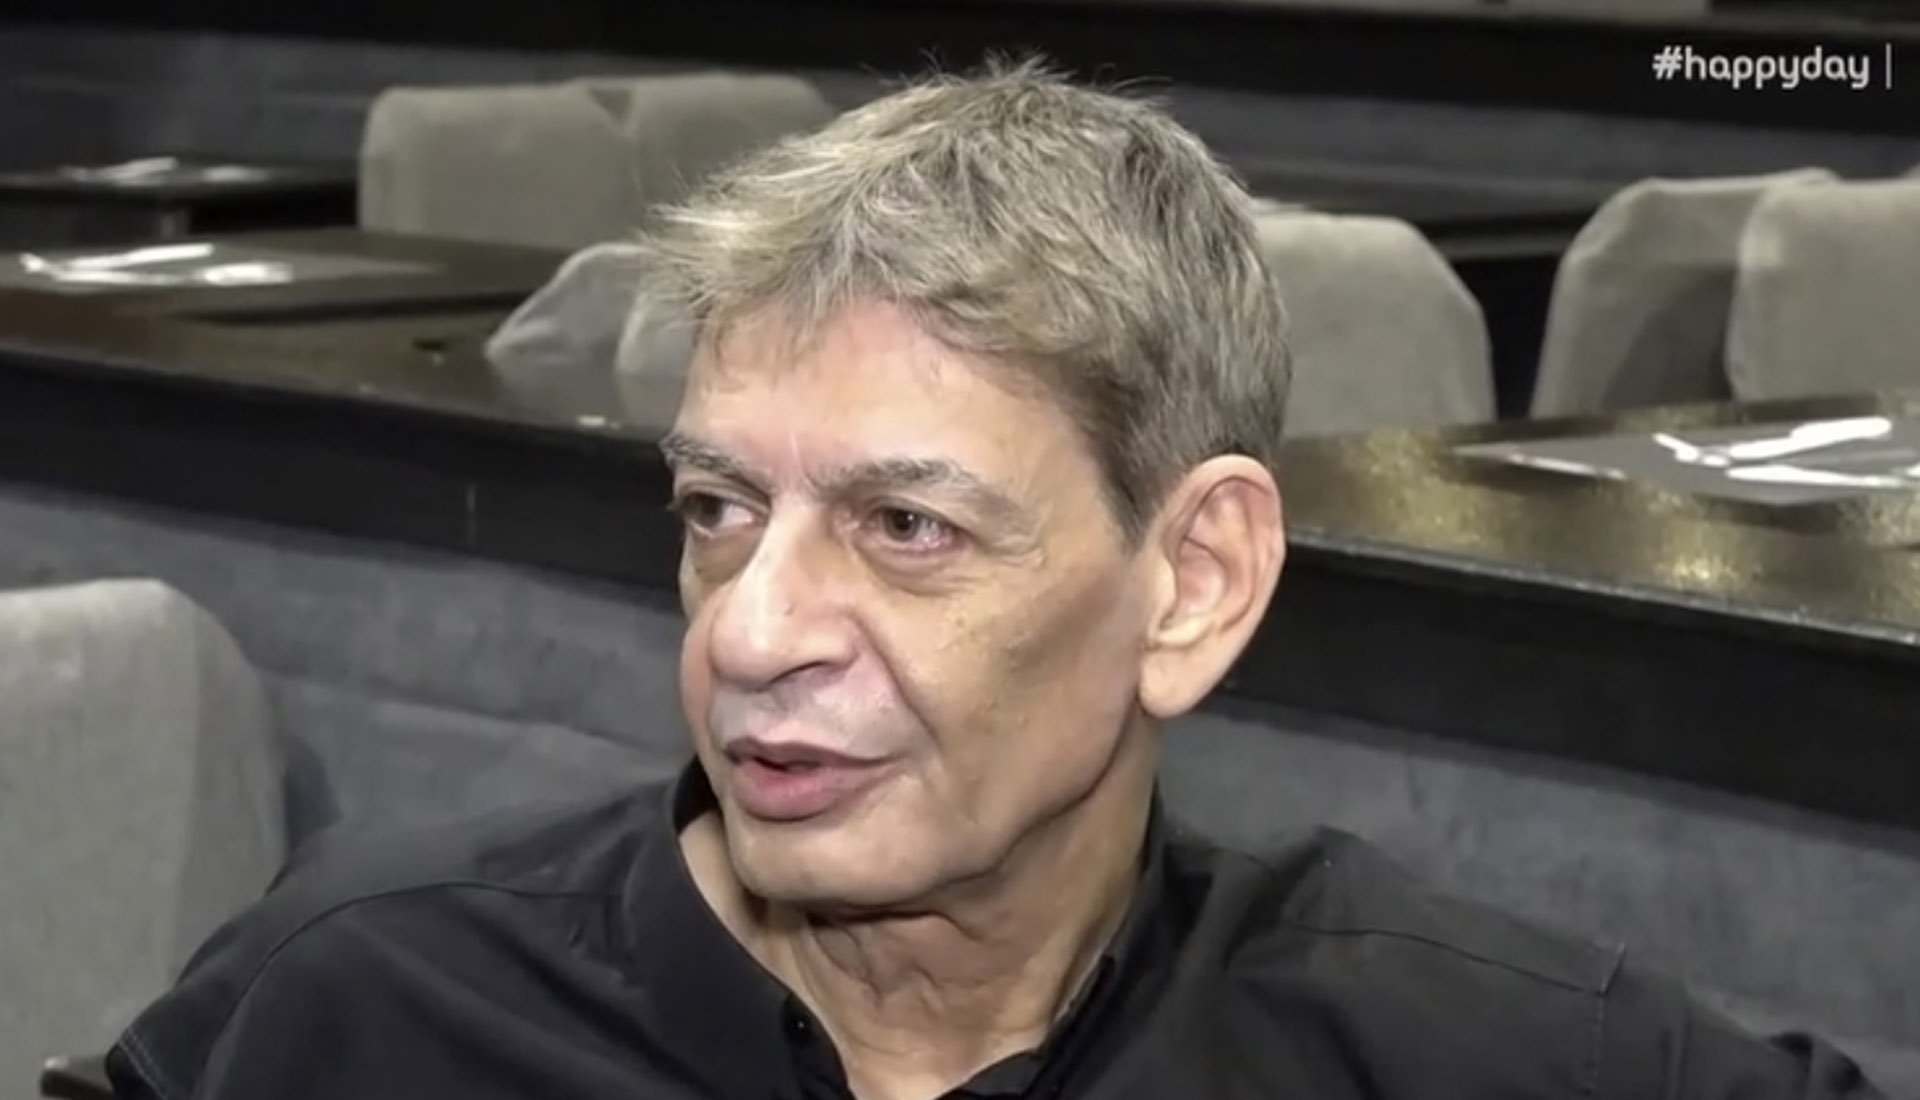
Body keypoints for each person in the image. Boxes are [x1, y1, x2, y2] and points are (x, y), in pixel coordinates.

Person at [106, 61, 1885, 1100]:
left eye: (907, 529)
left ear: (1195, 581)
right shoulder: (360, 1000)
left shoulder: (1475, 1051)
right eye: (720, 508)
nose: (753, 631)